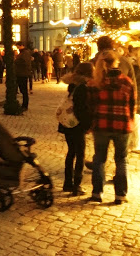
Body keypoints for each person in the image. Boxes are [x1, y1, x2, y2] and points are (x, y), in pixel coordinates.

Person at [86, 50, 136, 204]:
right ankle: (120, 195)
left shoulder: (98, 83)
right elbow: (133, 104)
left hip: (102, 124)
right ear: (117, 63)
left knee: (99, 158)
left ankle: (97, 193)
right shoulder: (127, 82)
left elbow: (91, 106)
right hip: (122, 125)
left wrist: (91, 123)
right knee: (121, 159)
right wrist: (131, 121)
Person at [58, 63, 93, 195]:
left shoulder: (72, 85)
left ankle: (67, 183)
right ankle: (76, 185)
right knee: (80, 154)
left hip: (67, 124)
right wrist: (87, 125)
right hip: (76, 125)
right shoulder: (82, 87)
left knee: (71, 152)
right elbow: (80, 109)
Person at [14, 44, 31, 110]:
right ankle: (23, 105)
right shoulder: (22, 53)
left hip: (22, 74)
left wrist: (16, 61)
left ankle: (25, 105)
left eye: (18, 46)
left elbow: (25, 62)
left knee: (24, 90)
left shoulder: (25, 53)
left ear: (22, 46)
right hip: (20, 73)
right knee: (22, 90)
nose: (18, 48)